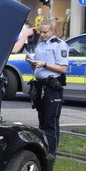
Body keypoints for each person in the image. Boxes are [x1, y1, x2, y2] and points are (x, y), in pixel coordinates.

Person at [27, 18, 69, 156]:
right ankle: (43, 150)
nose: (43, 34)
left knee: (51, 121)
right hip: (40, 86)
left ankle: (51, 153)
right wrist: (32, 63)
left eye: (45, 32)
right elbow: (39, 65)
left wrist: (44, 64)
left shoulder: (59, 45)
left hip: (52, 86)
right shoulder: (41, 45)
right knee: (42, 120)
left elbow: (63, 68)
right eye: (41, 31)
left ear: (53, 31)